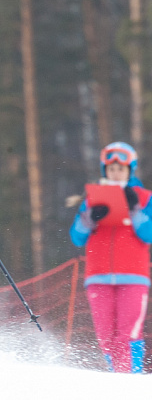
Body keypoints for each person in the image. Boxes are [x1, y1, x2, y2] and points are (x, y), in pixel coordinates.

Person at [70, 141, 152, 373]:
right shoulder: (92, 198)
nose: (116, 174)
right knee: (106, 337)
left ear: (130, 170)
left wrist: (134, 210)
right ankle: (117, 377)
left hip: (133, 276)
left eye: (121, 169)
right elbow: (77, 237)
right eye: (111, 169)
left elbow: (148, 234)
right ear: (104, 170)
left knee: (127, 334)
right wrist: (89, 217)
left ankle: (129, 381)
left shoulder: (145, 198)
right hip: (98, 276)